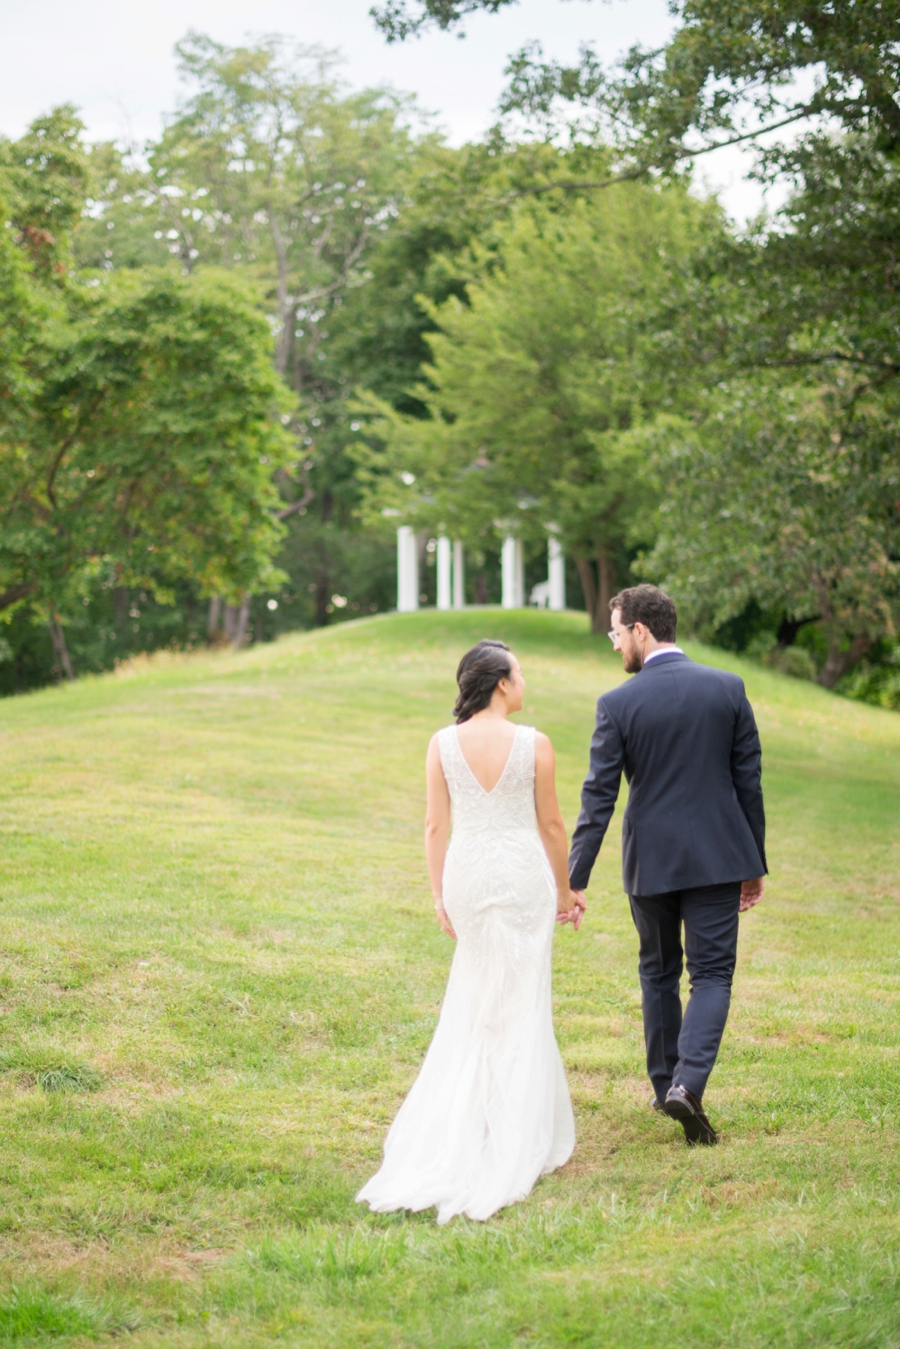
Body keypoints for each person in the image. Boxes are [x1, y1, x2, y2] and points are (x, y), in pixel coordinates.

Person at [357, 639, 582, 1224]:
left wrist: (438, 894)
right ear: (501, 684)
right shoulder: (535, 744)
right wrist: (565, 889)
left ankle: (475, 1121)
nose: (526, 682)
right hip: (521, 876)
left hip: (469, 876)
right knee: (521, 997)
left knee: (478, 993)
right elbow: (553, 824)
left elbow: (436, 824)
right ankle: (511, 1128)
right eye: (521, 673)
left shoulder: (441, 743)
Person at [568, 585, 766, 1146]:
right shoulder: (727, 689)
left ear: (640, 630)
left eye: (615, 633)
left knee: (658, 972)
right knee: (712, 975)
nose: (614, 646)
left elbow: (598, 797)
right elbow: (747, 782)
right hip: (717, 858)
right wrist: (755, 863)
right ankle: (687, 1085)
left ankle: (665, 1089)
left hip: (650, 862)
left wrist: (575, 877)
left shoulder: (619, 703)